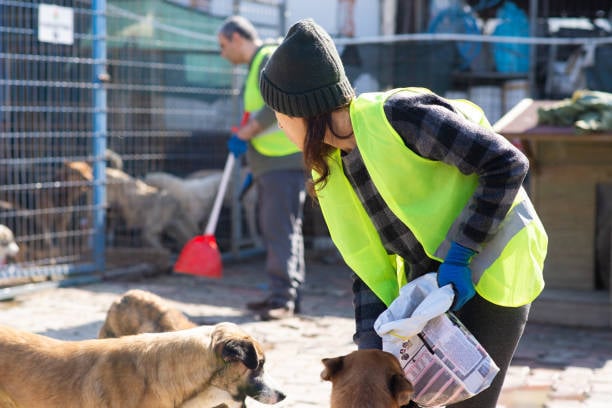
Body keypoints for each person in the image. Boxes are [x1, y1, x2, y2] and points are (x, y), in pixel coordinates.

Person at [259, 18, 548, 408]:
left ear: (303, 110)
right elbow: (367, 264)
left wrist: (460, 254)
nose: (278, 126)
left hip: (489, 267)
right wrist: (370, 345)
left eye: (279, 115)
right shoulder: (329, 166)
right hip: (430, 285)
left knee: (470, 402)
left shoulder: (401, 116)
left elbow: (507, 164)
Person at [217, 16, 306, 320]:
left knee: (280, 228)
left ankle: (283, 299)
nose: (222, 53)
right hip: (272, 162)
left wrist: (245, 133)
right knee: (281, 228)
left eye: (222, 45)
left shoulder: (267, 58)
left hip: (282, 162)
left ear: (237, 38)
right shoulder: (259, 63)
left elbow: (275, 105)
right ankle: (282, 295)